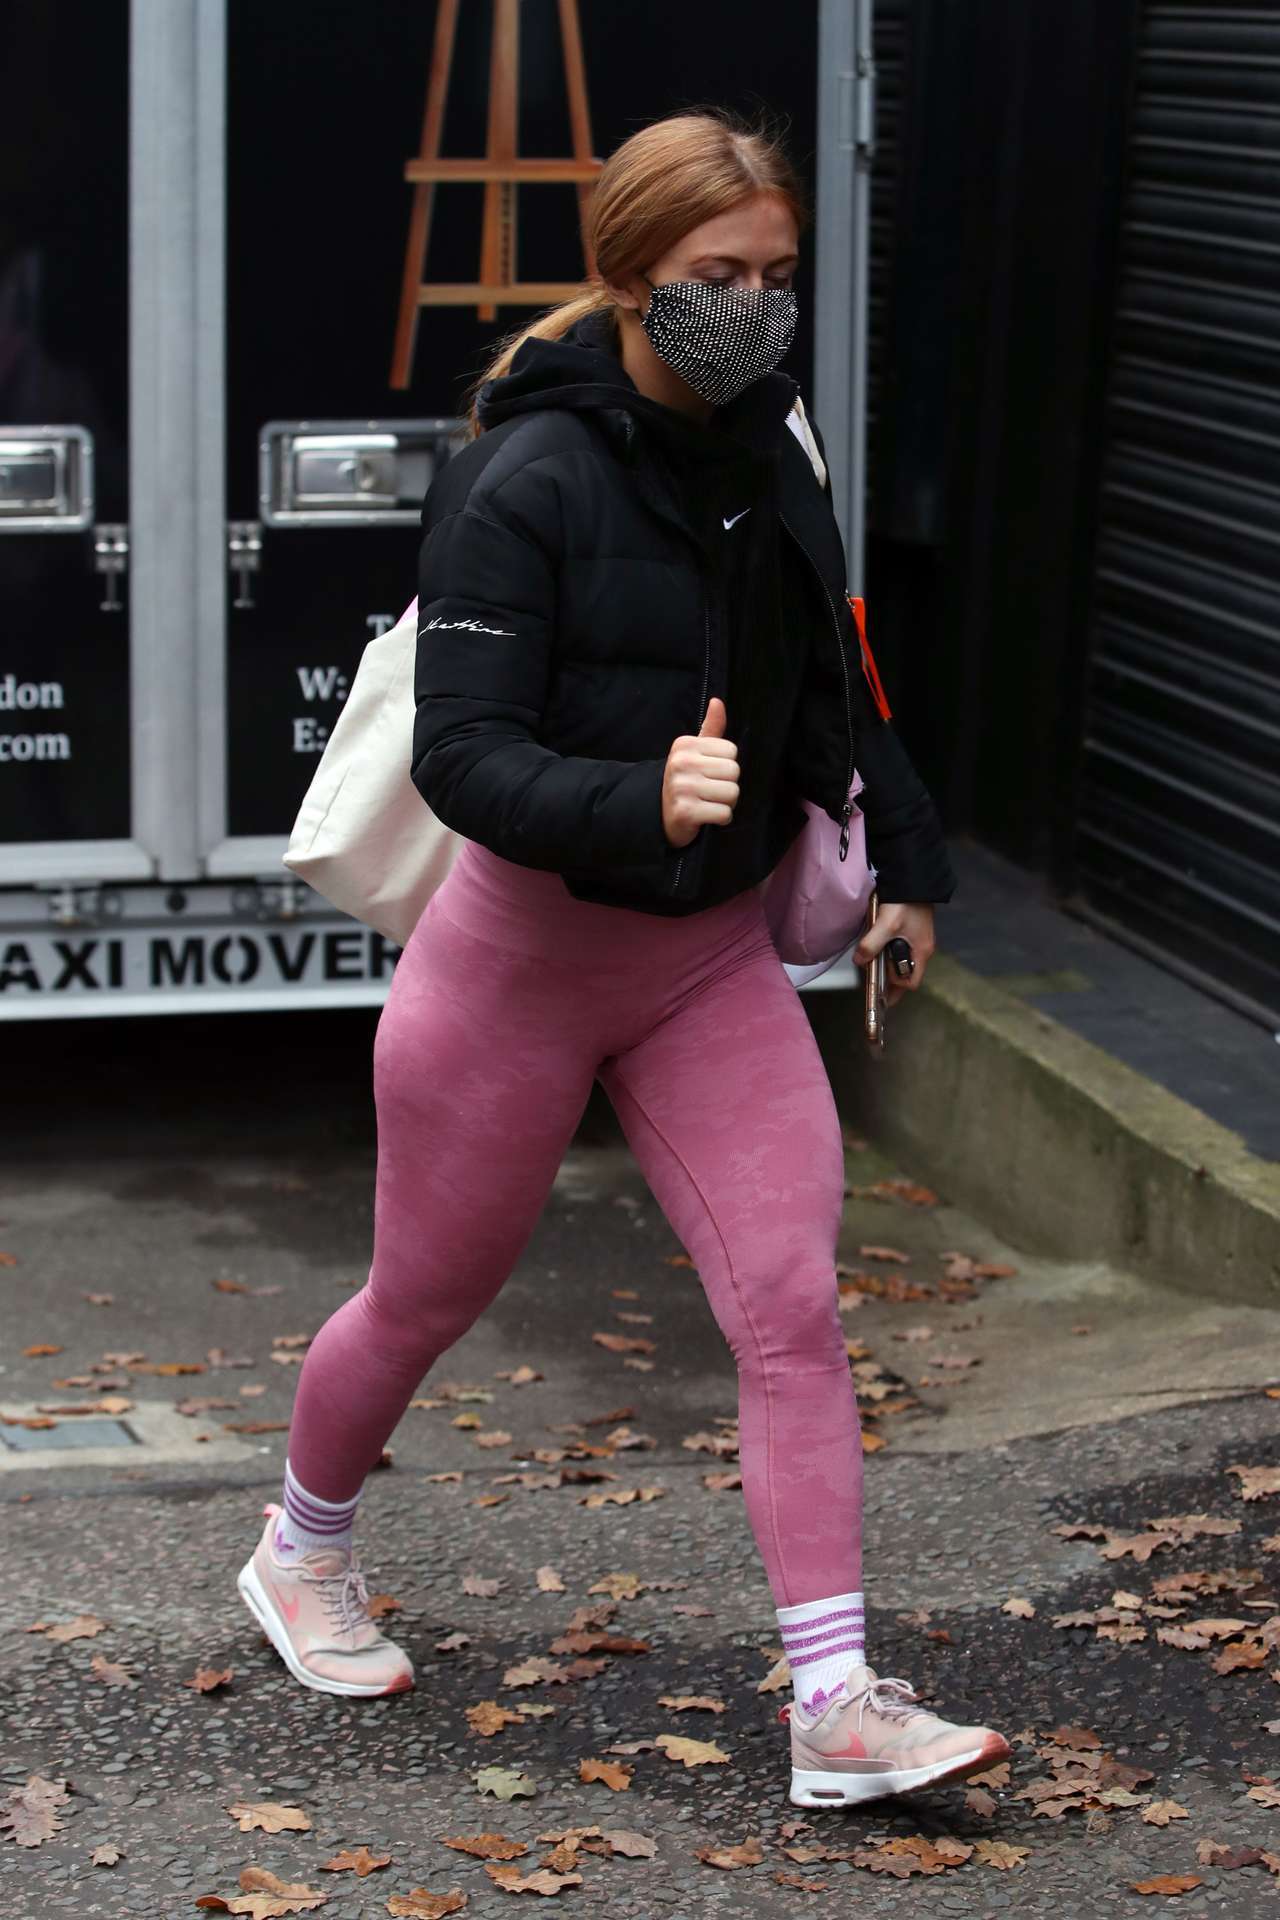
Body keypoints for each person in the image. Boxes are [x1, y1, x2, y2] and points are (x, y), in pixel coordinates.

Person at [237, 105, 1010, 1808]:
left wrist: (908, 863)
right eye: (719, 276)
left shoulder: (776, 443)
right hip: (514, 962)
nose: (756, 308)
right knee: (422, 1298)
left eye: (779, 276)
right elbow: (463, 754)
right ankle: (302, 1547)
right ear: (629, 275)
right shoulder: (525, 476)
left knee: (791, 1304)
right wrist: (636, 793)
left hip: (707, 965)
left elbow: (835, 675)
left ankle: (835, 1702)